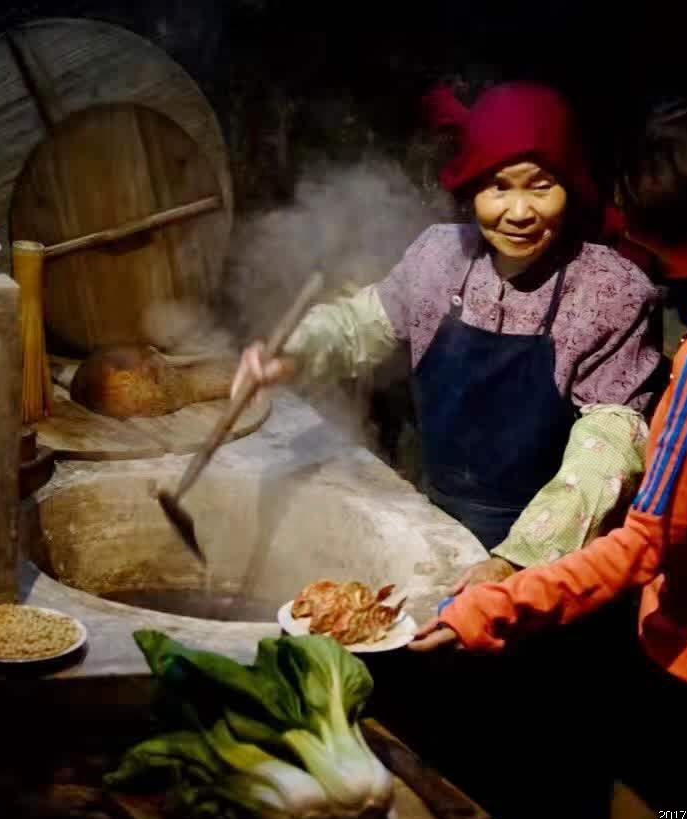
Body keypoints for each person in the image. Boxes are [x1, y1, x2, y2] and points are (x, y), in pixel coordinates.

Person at [414, 97, 687, 809]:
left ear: (684, 230)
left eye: (640, 224)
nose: (629, 234)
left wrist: (494, 606)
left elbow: (645, 543)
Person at [233, 82, 662, 570]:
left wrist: (516, 561)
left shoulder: (609, 290)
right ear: (471, 187)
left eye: (541, 185)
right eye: (498, 186)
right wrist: (294, 351)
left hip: (556, 558)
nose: (519, 212)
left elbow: (611, 444)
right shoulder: (438, 258)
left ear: (571, 185)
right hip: (438, 531)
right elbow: (361, 323)